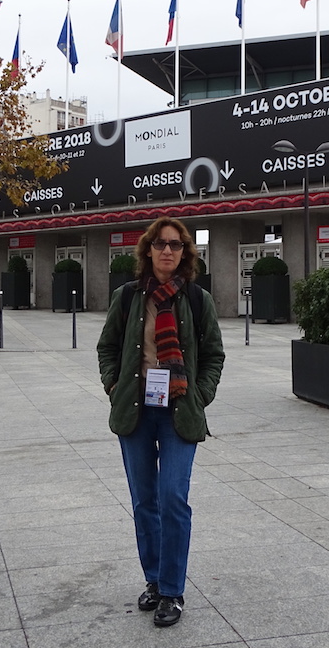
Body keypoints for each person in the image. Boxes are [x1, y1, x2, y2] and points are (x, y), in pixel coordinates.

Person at [97, 217, 225, 628]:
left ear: (185, 253)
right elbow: (107, 347)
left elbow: (213, 355)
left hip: (179, 412)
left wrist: (200, 395)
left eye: (175, 245)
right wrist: (114, 385)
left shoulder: (198, 299)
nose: (167, 251)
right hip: (135, 410)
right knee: (143, 501)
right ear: (147, 250)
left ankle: (172, 589)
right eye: (159, 244)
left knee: (172, 497)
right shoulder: (128, 296)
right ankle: (153, 580)